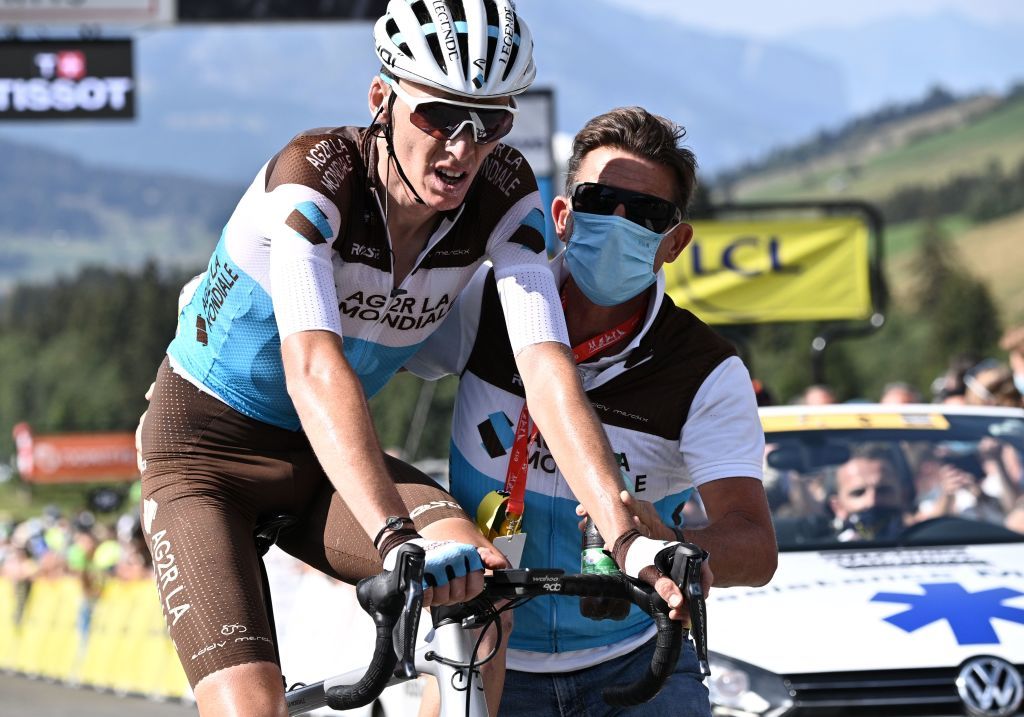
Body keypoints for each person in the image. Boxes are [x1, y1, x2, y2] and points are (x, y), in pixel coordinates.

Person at [137, 5, 686, 716]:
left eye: (489, 122)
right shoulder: (315, 179)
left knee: (481, 594)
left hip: (328, 459)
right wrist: (396, 537)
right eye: (439, 117)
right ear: (381, 99)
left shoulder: (503, 193)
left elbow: (548, 372)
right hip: (205, 455)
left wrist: (625, 530)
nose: (462, 149)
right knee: (251, 703)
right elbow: (312, 366)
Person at [406, 107, 777, 716]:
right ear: (563, 216)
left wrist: (674, 543)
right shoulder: (485, 306)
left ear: (673, 244)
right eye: (600, 200)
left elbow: (755, 547)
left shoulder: (706, 370)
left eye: (648, 215)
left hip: (637, 661)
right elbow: (354, 355)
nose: (619, 221)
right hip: (481, 651)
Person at [829, 452, 908, 541]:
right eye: (858, 493)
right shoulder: (820, 551)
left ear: (903, 496)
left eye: (883, 490)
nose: (872, 502)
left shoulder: (923, 542)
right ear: (838, 506)